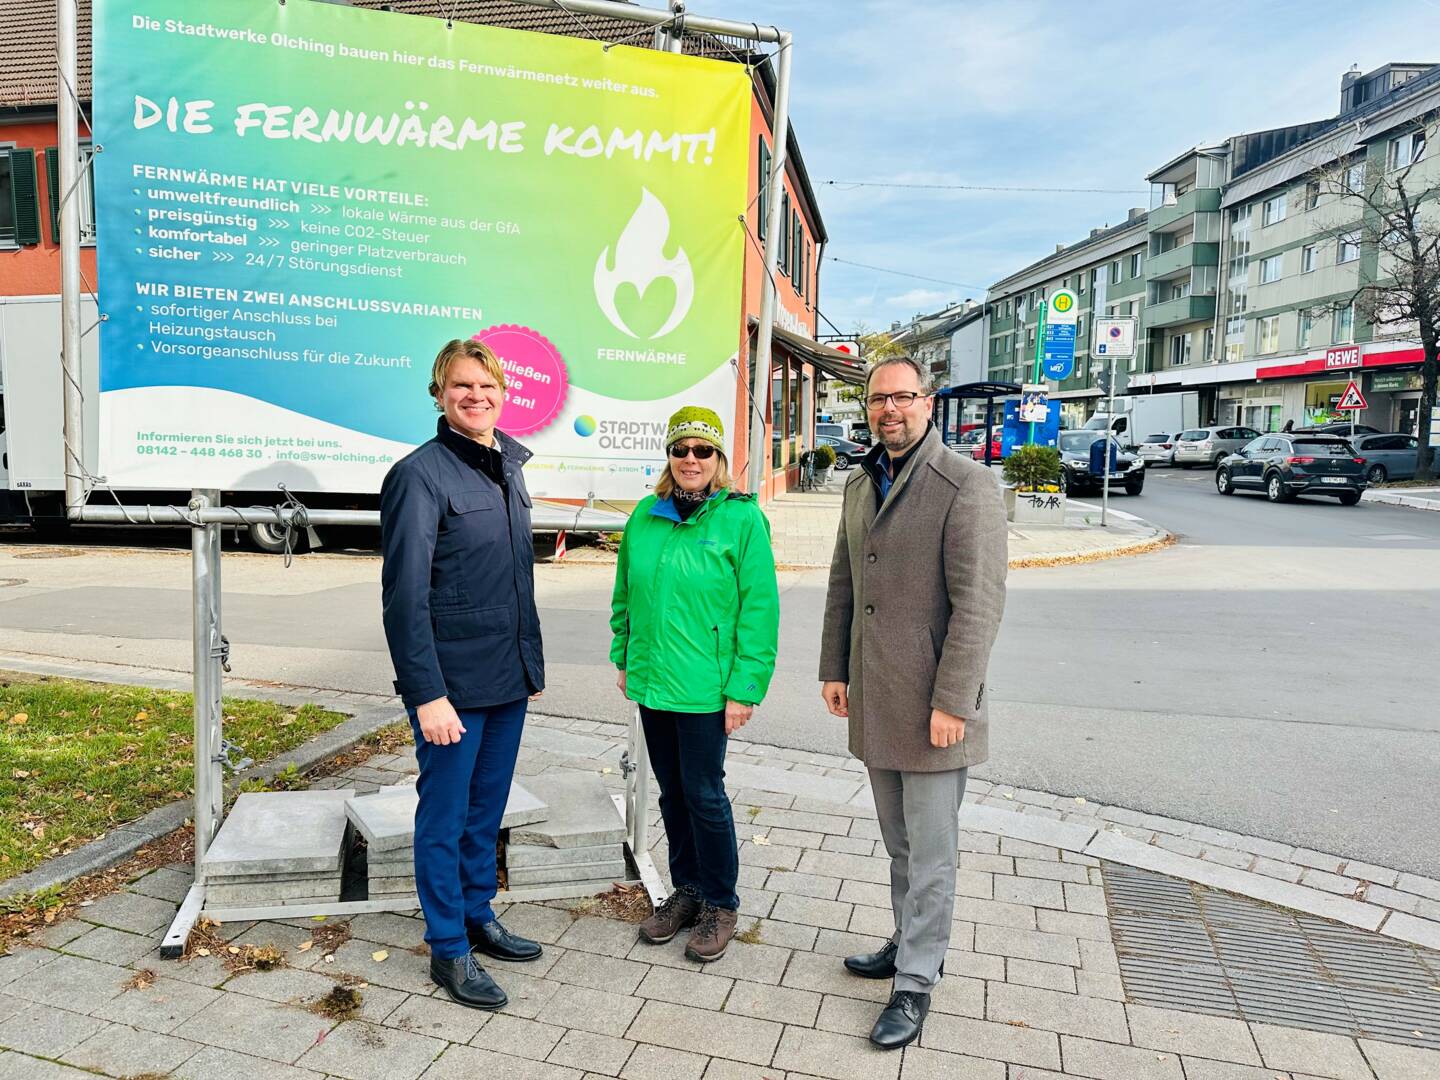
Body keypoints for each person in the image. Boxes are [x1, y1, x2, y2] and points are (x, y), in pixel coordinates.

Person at [819, 356, 1008, 1050]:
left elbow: (979, 607)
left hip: (935, 707)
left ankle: (916, 983)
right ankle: (906, 943)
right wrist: (834, 666)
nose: (889, 410)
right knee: (900, 845)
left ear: (928, 403)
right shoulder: (861, 482)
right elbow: (845, 581)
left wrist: (955, 700)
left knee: (932, 853)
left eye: (902, 398)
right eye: (878, 400)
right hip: (875, 697)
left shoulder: (966, 485)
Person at [380, 338, 546, 1011]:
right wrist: (427, 696)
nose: (475, 396)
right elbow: (403, 598)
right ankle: (448, 948)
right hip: (451, 691)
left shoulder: (508, 466)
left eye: (486, 386)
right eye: (460, 387)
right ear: (439, 395)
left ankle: (479, 912)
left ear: (503, 393)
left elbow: (513, 579)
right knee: (444, 819)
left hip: (506, 680)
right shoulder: (418, 476)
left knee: (486, 812)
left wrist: (528, 664)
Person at [610, 406, 779, 963]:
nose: (690, 459)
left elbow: (760, 610)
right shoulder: (644, 516)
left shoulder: (740, 519)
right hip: (654, 683)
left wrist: (745, 687)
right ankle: (685, 890)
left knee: (705, 795)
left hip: (708, 690)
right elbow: (625, 597)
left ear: (719, 460)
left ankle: (720, 903)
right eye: (680, 449)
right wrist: (624, 656)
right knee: (671, 792)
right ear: (669, 457)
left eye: (702, 451)